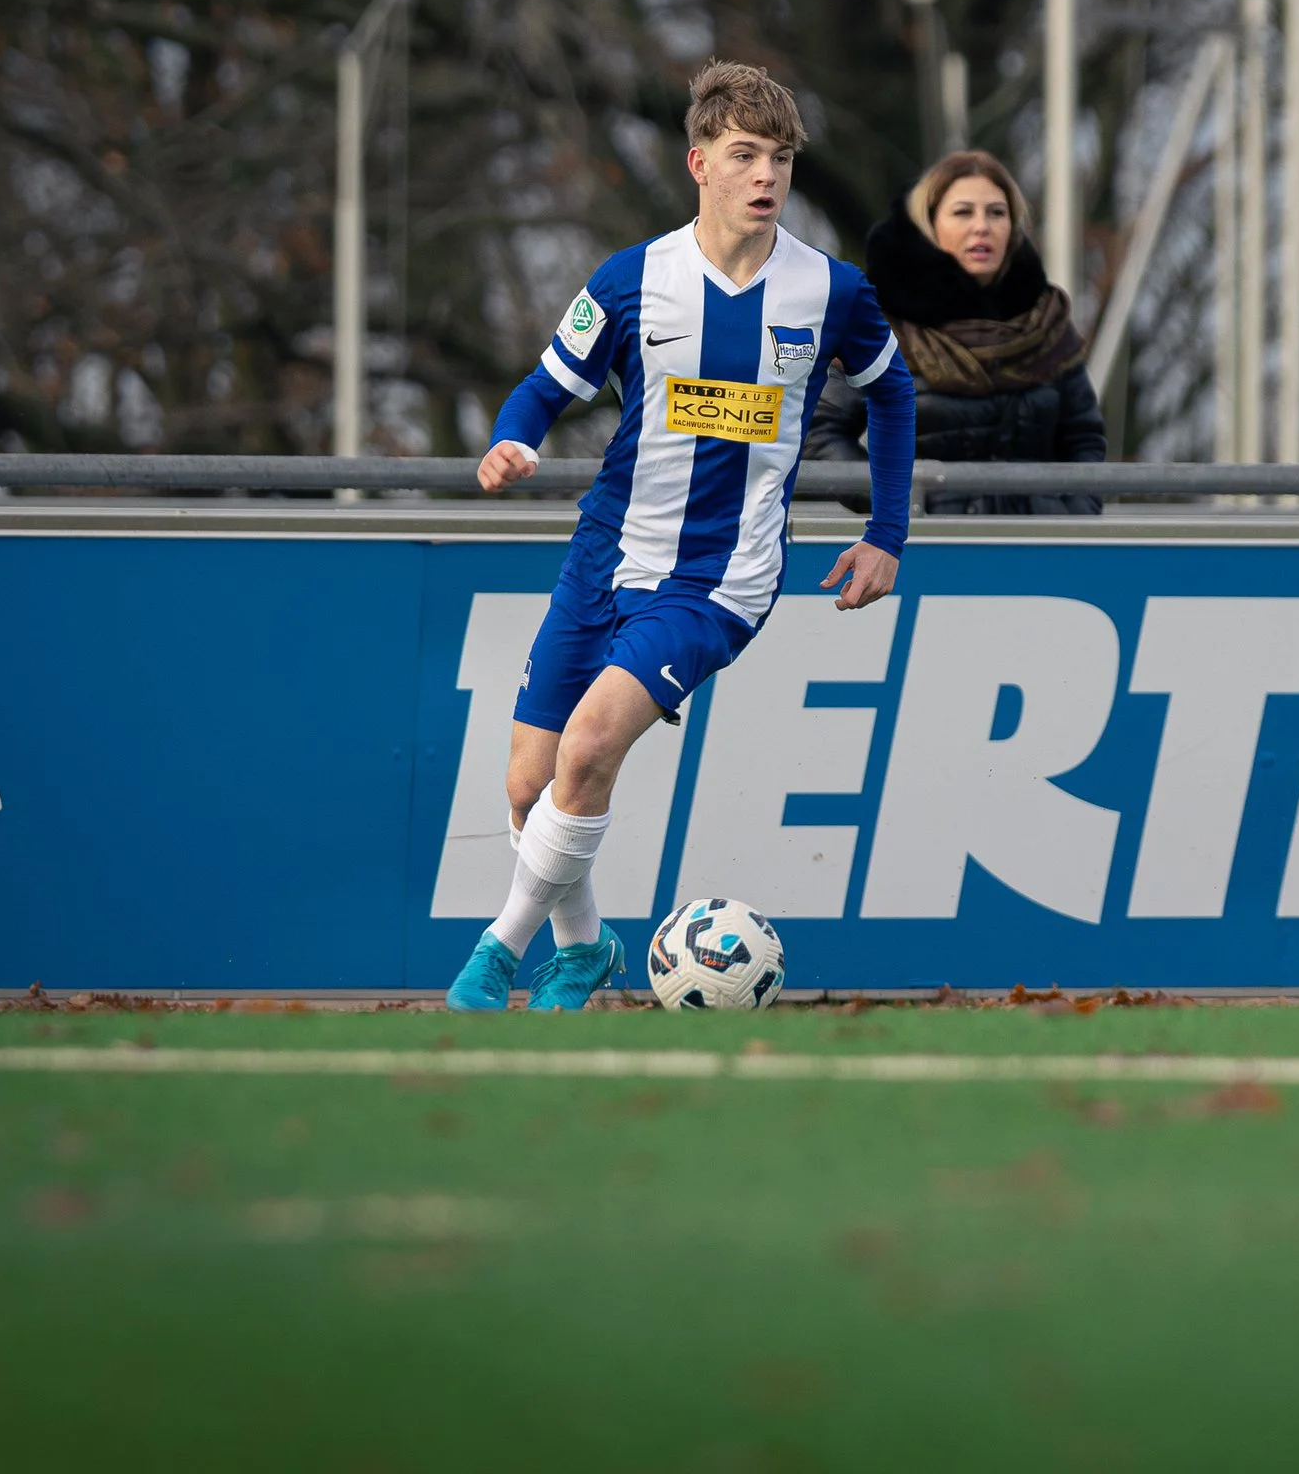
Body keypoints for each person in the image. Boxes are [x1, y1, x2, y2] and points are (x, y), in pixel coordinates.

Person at [447, 60, 915, 1011]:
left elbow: (893, 392)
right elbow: (543, 389)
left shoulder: (831, 292)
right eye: (744, 155)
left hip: (720, 580)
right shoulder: (632, 282)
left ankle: (496, 951)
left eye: (780, 157)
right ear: (699, 163)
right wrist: (509, 441)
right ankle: (583, 951)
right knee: (530, 783)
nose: (766, 176)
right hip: (606, 557)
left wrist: (888, 533)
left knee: (586, 751)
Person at [804, 148, 1107, 514]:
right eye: (963, 212)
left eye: (997, 212)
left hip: (1036, 550)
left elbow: (1082, 438)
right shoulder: (881, 324)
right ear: (930, 224)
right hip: (929, 551)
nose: (982, 226)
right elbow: (819, 433)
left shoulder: (1048, 325)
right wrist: (898, 500)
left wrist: (1073, 515)